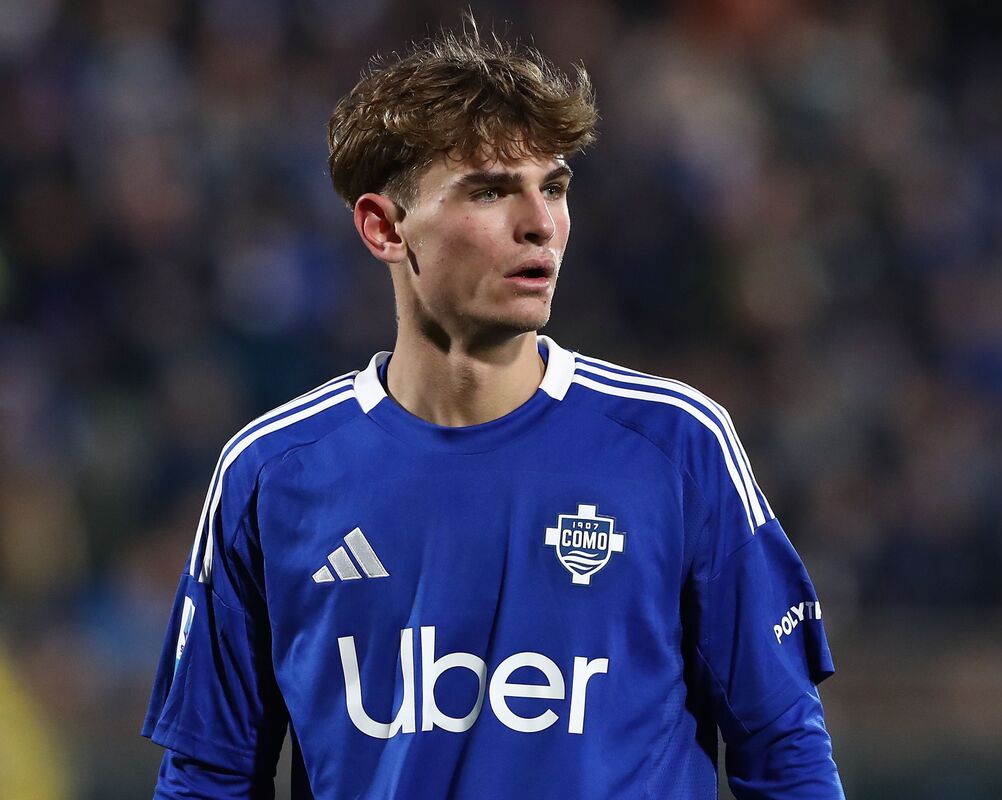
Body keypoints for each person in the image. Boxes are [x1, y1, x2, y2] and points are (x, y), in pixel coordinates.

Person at [143, 23, 845, 800]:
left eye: (554, 186)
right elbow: (207, 778)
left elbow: (784, 752)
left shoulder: (676, 444)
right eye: (489, 190)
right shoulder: (271, 474)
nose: (540, 223)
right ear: (383, 227)